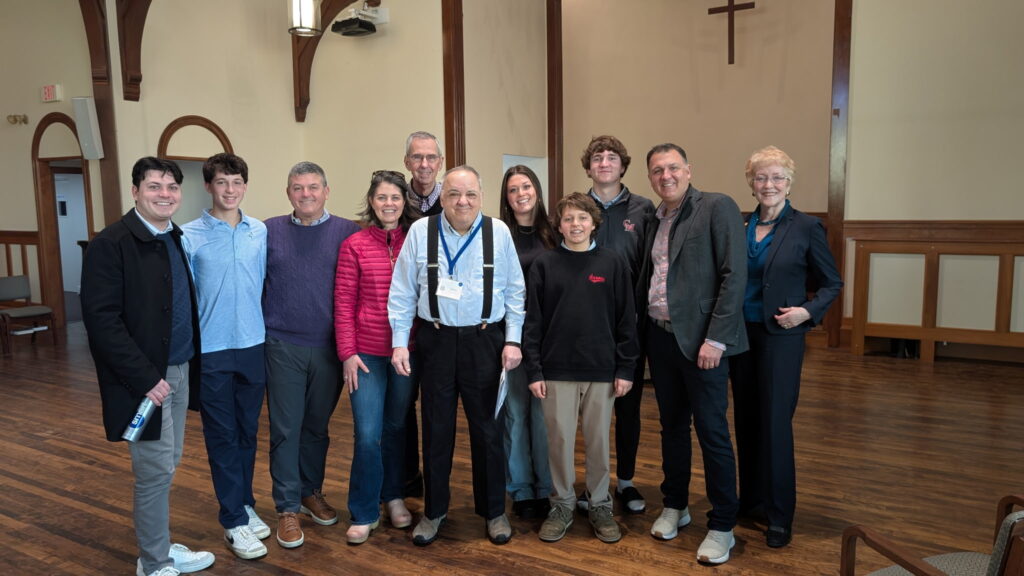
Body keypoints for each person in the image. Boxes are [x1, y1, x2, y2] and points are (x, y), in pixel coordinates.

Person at [81, 157, 215, 576]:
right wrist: (146, 379)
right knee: (154, 471)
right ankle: (153, 563)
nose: (165, 194)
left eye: (172, 187)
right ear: (136, 191)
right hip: (144, 381)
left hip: (178, 369)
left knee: (168, 464)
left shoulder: (173, 237)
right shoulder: (112, 243)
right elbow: (102, 322)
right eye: (154, 186)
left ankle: (160, 546)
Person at [388, 165, 526, 547]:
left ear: (480, 196)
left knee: (489, 432)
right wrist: (400, 342)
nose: (462, 202)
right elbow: (400, 292)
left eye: (469, 194)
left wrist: (512, 340)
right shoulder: (421, 232)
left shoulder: (498, 232)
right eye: (453, 194)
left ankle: (494, 511)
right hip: (436, 342)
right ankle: (434, 512)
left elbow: (515, 291)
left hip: (486, 342)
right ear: (442, 197)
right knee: (436, 431)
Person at [637, 143, 747, 565]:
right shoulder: (654, 217)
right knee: (671, 428)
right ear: (649, 177)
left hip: (703, 344)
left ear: (688, 170)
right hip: (661, 338)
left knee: (713, 433)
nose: (666, 176)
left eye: (673, 168)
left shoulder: (716, 207)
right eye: (657, 170)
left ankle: (722, 525)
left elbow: (733, 275)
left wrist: (716, 339)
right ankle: (676, 505)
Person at [730, 146, 842, 548]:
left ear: (789, 183)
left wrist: (807, 313)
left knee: (776, 423)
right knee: (746, 419)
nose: (769, 185)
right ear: (751, 183)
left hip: (782, 336)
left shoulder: (806, 227)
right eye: (761, 178)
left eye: (777, 178)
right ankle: (752, 500)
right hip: (741, 336)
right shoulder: (741, 225)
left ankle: (780, 514)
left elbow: (832, 283)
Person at [524, 192, 638, 544]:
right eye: (568, 219)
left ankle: (601, 503)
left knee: (599, 442)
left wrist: (626, 368)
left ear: (594, 223)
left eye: (582, 218)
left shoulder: (612, 263)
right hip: (557, 369)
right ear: (559, 225)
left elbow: (626, 320)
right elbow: (533, 322)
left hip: (602, 369)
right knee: (557, 441)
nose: (575, 225)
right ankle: (562, 504)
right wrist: (535, 370)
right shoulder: (545, 264)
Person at [263, 161, 360, 549]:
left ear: (326, 191)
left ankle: (309, 491)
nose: (306, 194)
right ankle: (286, 507)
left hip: (330, 348)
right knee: (286, 428)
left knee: (317, 427)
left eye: (313, 187)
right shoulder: (268, 231)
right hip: (281, 343)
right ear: (288, 192)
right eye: (298, 188)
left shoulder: (347, 233)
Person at [181, 153, 269, 560]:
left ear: (245, 186)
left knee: (248, 433)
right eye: (222, 183)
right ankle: (233, 521)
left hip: (254, 345)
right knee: (222, 436)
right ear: (209, 186)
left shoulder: (260, 231)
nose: (230, 190)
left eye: (236, 182)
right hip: (212, 351)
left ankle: (245, 503)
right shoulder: (189, 236)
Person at [333, 170, 421, 545]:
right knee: (368, 434)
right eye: (382, 197)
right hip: (366, 355)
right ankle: (364, 510)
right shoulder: (354, 244)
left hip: (406, 352)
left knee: (397, 428)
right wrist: (347, 353)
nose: (389, 204)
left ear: (405, 202)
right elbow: (343, 302)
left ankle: (394, 496)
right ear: (372, 202)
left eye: (395, 198)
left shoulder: (416, 241)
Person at [578, 135, 654, 515]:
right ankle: (592, 482)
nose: (604, 163)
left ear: (623, 166)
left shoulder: (642, 209)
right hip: (584, 329)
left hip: (629, 326)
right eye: (597, 157)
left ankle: (625, 480)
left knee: (627, 405)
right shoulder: (576, 207)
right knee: (588, 410)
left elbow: (652, 265)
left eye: (611, 158)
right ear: (588, 166)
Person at [498, 165, 556, 520]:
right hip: (514, 338)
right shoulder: (499, 233)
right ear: (506, 198)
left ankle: (547, 487)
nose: (521, 194)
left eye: (526, 186)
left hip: (551, 338)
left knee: (545, 417)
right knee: (516, 415)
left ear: (536, 189)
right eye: (513, 189)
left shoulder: (555, 232)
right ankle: (520, 489)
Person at [400, 130, 446, 499]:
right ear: (407, 162)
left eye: (431, 157)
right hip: (404, 320)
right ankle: (407, 478)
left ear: (440, 162)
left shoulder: (453, 200)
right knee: (402, 406)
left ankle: (436, 483)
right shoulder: (396, 202)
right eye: (417, 158)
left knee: (434, 406)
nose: (424, 165)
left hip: (441, 323)